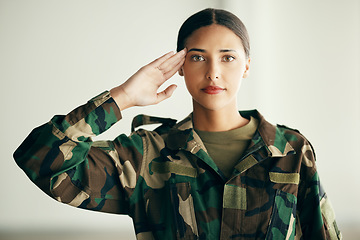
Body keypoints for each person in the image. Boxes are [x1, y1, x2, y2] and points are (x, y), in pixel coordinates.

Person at [14, 8, 341, 240]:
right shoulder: (147, 155)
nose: (213, 72)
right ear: (180, 66)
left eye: (228, 57)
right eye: (198, 57)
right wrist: (122, 98)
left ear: (246, 67)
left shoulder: (290, 150)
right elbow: (40, 159)